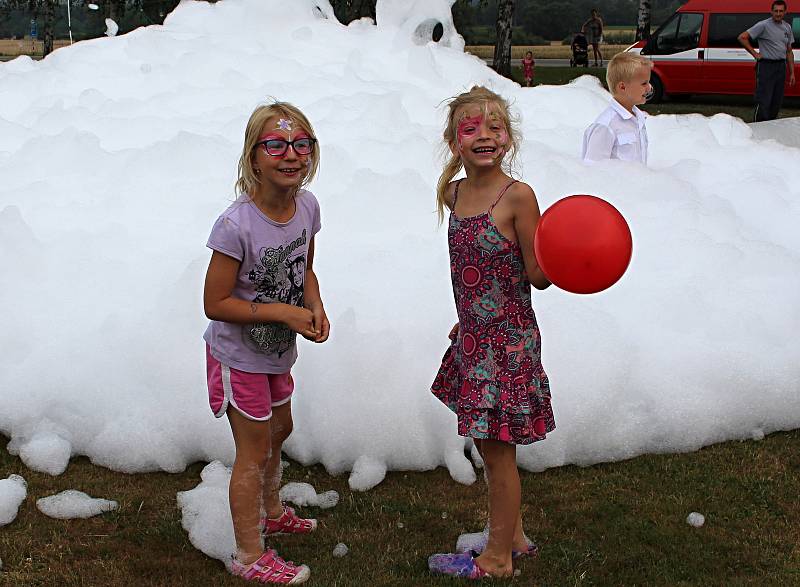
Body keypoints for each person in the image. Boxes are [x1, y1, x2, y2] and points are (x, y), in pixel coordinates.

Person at [427, 86, 555, 580]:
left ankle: (498, 558)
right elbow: (472, 270)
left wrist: (565, 253)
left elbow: (536, 275)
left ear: (509, 138)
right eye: (471, 127)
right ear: (454, 140)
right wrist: (470, 317)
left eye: (495, 127)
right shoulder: (453, 193)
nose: (484, 135)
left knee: (498, 453)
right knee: (489, 446)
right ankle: (515, 536)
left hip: (508, 345)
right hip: (476, 337)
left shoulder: (517, 196)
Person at [203, 101, 329, 584]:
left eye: (301, 144)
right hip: (239, 358)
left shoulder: (307, 207)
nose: (290, 155)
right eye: (275, 145)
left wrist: (314, 308)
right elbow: (214, 302)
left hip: (277, 350)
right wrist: (284, 312)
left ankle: (272, 510)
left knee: (281, 428)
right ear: (254, 156)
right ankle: (250, 554)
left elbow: (305, 270)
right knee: (253, 451)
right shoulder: (236, 225)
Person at [582, 52, 653, 164]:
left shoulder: (639, 118)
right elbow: (592, 170)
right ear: (622, 87)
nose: (649, 88)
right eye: (644, 83)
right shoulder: (605, 126)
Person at [738, 0, 796, 122]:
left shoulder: (787, 27)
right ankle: (758, 129)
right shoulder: (763, 25)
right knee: (764, 100)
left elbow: (789, 51)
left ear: (785, 12)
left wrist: (792, 73)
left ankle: (770, 130)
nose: (778, 13)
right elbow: (742, 37)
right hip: (766, 66)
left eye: (781, 11)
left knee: (777, 101)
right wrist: (754, 53)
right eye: (776, 11)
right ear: (771, 11)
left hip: (781, 67)